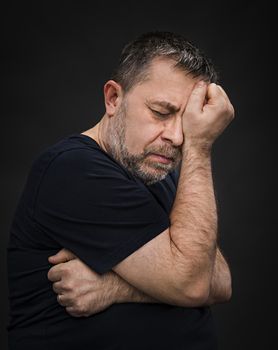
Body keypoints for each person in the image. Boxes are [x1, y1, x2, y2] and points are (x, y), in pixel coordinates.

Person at [7, 31, 234, 350]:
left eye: (187, 122)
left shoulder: (155, 170)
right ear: (114, 98)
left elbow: (221, 280)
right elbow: (194, 284)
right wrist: (201, 145)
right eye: (161, 112)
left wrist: (117, 288)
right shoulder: (72, 169)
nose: (177, 137)